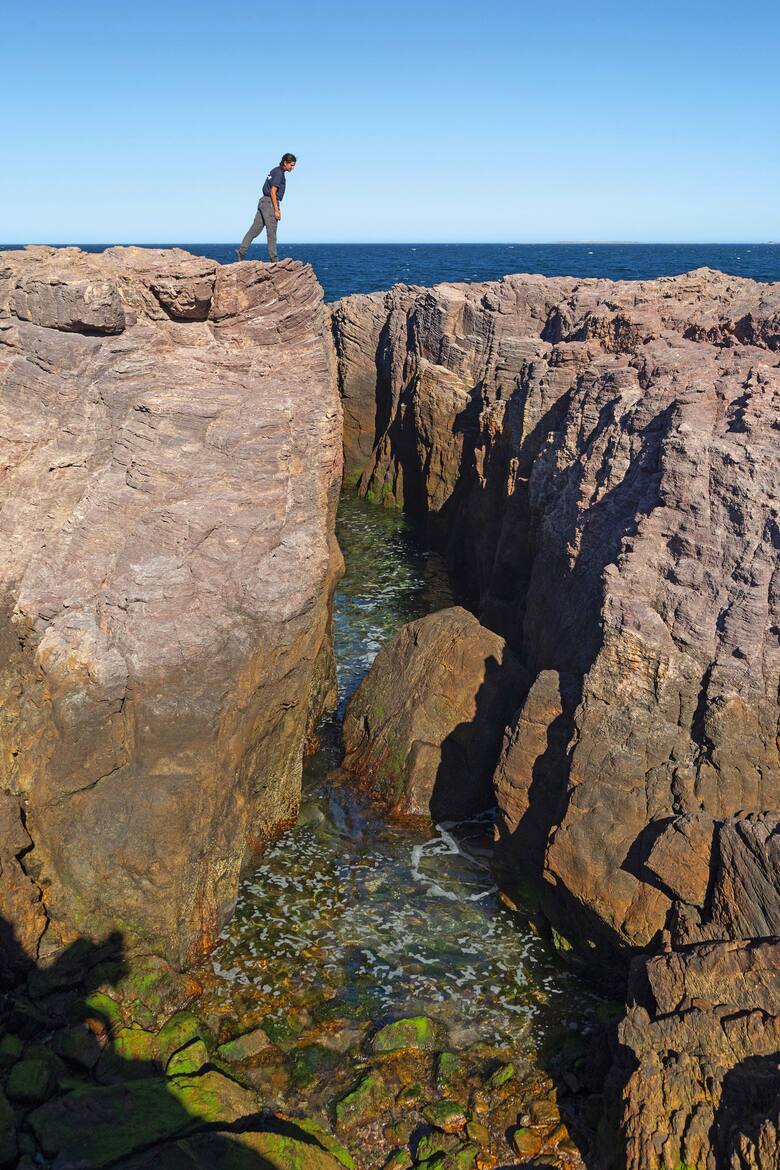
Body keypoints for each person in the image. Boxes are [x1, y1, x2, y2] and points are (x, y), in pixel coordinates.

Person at [235, 153, 297, 262]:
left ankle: (241, 252)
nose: (293, 167)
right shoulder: (279, 174)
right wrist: (276, 210)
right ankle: (274, 259)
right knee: (271, 232)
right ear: (285, 163)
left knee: (254, 230)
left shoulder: (274, 171)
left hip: (263, 202)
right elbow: (273, 192)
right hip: (269, 203)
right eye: (291, 165)